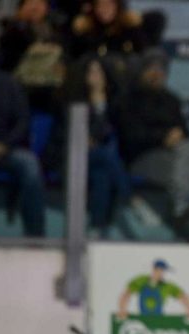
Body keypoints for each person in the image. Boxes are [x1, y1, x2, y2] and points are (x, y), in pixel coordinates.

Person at [114, 51, 189, 240]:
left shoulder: (172, 100)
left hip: (172, 156)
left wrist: (178, 135)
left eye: (161, 70)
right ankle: (181, 208)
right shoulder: (128, 100)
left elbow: (187, 133)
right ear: (142, 72)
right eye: (152, 69)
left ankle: (181, 206)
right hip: (140, 159)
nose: (157, 74)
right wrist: (162, 138)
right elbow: (129, 137)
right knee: (185, 165)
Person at [0, 41, 45, 237]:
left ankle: (36, 235)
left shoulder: (7, 83)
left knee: (29, 163)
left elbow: (23, 119)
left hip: (6, 146)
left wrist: (5, 144)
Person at [53, 57, 130, 237]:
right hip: (72, 157)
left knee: (101, 176)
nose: (95, 76)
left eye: (99, 72)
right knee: (105, 156)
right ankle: (129, 197)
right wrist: (80, 139)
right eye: (91, 71)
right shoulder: (72, 102)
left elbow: (115, 132)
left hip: (100, 161)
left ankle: (96, 229)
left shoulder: (115, 103)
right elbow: (61, 134)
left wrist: (100, 106)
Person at [0, 0, 67, 115]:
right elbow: (8, 56)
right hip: (21, 87)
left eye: (40, 3)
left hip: (49, 88)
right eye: (31, 3)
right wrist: (20, 22)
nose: (35, 8)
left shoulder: (55, 30)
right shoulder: (13, 30)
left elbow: (64, 55)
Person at [116, 259, 189, 319]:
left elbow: (183, 296)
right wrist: (122, 309)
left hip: (158, 320)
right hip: (142, 318)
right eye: (160, 270)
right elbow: (126, 294)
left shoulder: (167, 286)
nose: (162, 273)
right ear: (154, 269)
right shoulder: (141, 281)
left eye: (163, 271)